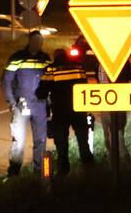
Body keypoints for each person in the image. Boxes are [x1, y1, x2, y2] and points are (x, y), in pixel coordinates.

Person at [36, 48, 95, 176]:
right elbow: (84, 85)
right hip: (78, 110)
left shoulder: (51, 69)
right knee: (83, 142)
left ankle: (63, 173)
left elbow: (41, 92)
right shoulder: (78, 67)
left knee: (62, 145)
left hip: (60, 111)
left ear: (55, 56)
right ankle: (90, 171)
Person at [1, 30, 50, 178]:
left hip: (40, 105)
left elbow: (50, 80)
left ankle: (39, 172)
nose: (38, 43)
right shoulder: (18, 58)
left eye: (40, 41)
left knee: (41, 140)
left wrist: (49, 102)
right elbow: (6, 80)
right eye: (35, 40)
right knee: (19, 140)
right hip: (22, 104)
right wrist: (11, 102)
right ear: (29, 41)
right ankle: (14, 172)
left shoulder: (45, 59)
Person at [98, 59, 131, 165]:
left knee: (115, 132)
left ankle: (121, 160)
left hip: (113, 102)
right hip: (108, 101)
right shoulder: (103, 63)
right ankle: (116, 162)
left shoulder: (119, 62)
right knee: (114, 133)